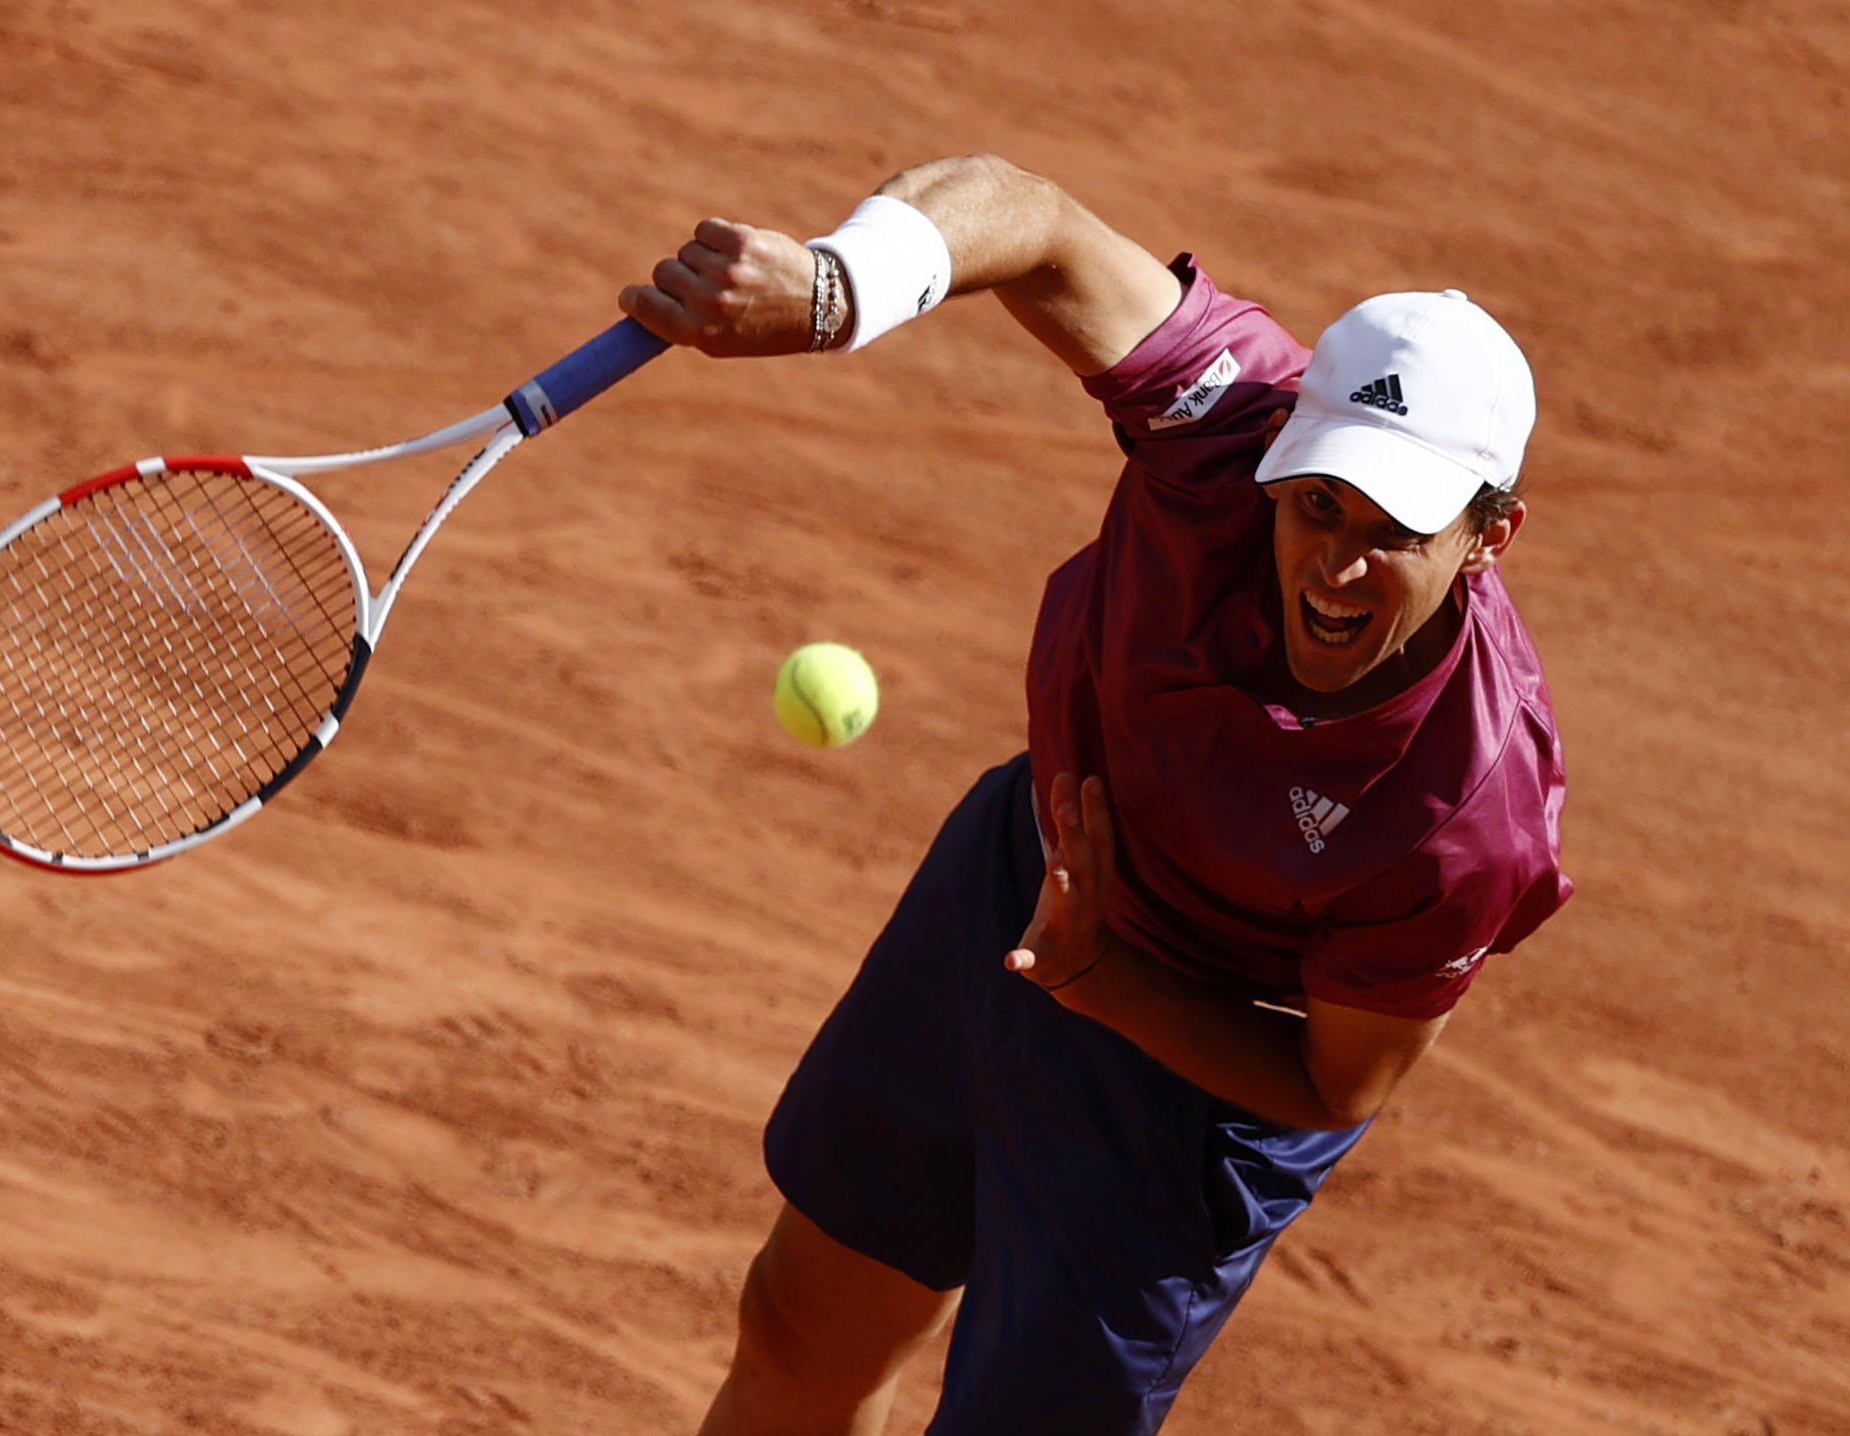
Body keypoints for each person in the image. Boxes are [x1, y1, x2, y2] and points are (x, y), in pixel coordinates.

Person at [619, 153, 1570, 1436]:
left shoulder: (1468, 806)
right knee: (803, 1320)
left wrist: (1101, 976)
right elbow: (1036, 222)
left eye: (1395, 530)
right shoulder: (1231, 420)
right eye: (1317, 503)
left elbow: (1330, 1081)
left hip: (1198, 1060)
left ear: (1487, 533)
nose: (1336, 564)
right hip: (1020, 876)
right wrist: (842, 286)